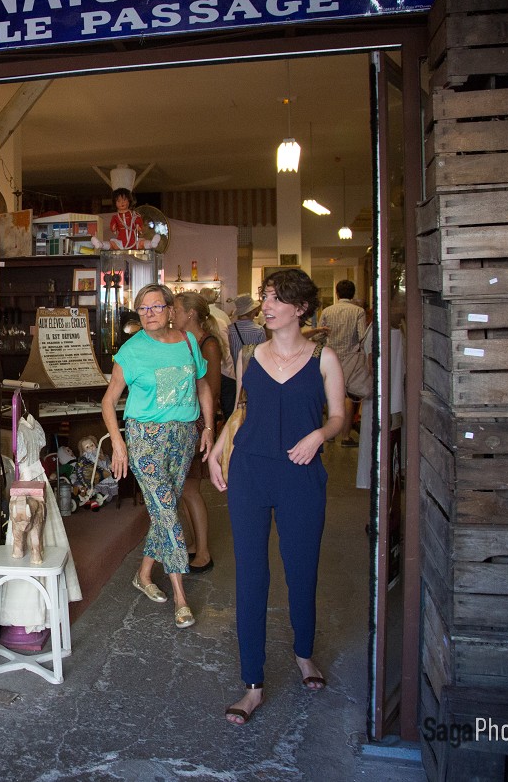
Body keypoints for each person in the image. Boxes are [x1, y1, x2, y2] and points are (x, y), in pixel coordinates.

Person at [208, 269, 346, 725]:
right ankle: (252, 684)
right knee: (251, 575)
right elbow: (240, 412)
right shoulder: (248, 354)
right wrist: (217, 449)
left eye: (275, 298)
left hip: (302, 474)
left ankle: (305, 653)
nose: (266, 305)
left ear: (300, 308)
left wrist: (319, 435)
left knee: (301, 567)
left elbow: (341, 417)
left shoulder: (324, 358)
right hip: (250, 471)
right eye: (265, 297)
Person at [100, 283, 215, 629]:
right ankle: (181, 597)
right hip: (145, 439)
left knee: (164, 509)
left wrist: (208, 427)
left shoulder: (188, 342)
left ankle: (144, 573)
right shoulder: (131, 351)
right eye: (142, 309)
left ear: (169, 309)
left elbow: (202, 385)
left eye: (155, 307)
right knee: (168, 513)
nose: (148, 314)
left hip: (183, 438)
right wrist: (119, 445)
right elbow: (108, 401)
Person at [173, 291, 226, 574]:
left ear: (190, 313)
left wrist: (207, 427)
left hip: (196, 422)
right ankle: (195, 543)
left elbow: (212, 389)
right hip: (186, 420)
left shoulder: (208, 343)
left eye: (176, 309)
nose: (172, 314)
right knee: (185, 489)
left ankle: (203, 551)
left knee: (191, 489)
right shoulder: (185, 341)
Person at [312, 280, 368, 446]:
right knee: (348, 395)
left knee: (331, 393)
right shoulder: (358, 311)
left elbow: (319, 335)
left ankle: (329, 434)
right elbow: (362, 336)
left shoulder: (328, 311)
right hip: (351, 357)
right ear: (353, 293)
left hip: (330, 356)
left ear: (337, 293)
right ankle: (345, 436)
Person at [224, 294, 263, 416]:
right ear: (251, 311)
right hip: (254, 375)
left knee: (237, 409)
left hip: (234, 374)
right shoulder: (259, 330)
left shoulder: (229, 329)